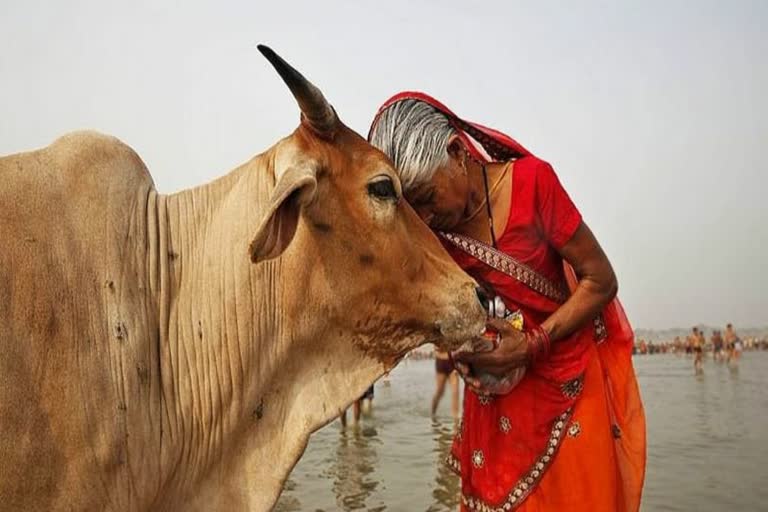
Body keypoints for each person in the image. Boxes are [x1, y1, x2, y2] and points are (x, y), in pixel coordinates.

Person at [369, 93, 646, 512]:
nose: (424, 218)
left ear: (458, 152)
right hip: (498, 394)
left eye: (427, 198)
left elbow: (601, 281)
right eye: (414, 209)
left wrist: (533, 344)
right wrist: (469, 351)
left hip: (568, 378)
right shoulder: (436, 236)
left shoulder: (534, 185)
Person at [433, 348, 461, 419]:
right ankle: (433, 414)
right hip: (441, 360)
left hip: (453, 361)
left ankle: (456, 420)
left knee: (455, 392)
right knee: (440, 392)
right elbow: (436, 347)